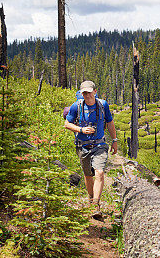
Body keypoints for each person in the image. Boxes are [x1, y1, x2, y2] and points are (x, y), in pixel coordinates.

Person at [63, 80, 117, 219]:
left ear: (95, 91)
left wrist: (114, 141)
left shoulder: (103, 105)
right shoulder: (76, 106)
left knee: (99, 172)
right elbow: (67, 124)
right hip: (83, 145)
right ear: (82, 93)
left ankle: (96, 204)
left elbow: (110, 122)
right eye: (84, 93)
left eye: (89, 92)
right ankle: (91, 197)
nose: (87, 95)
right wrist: (81, 129)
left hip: (100, 145)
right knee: (88, 176)